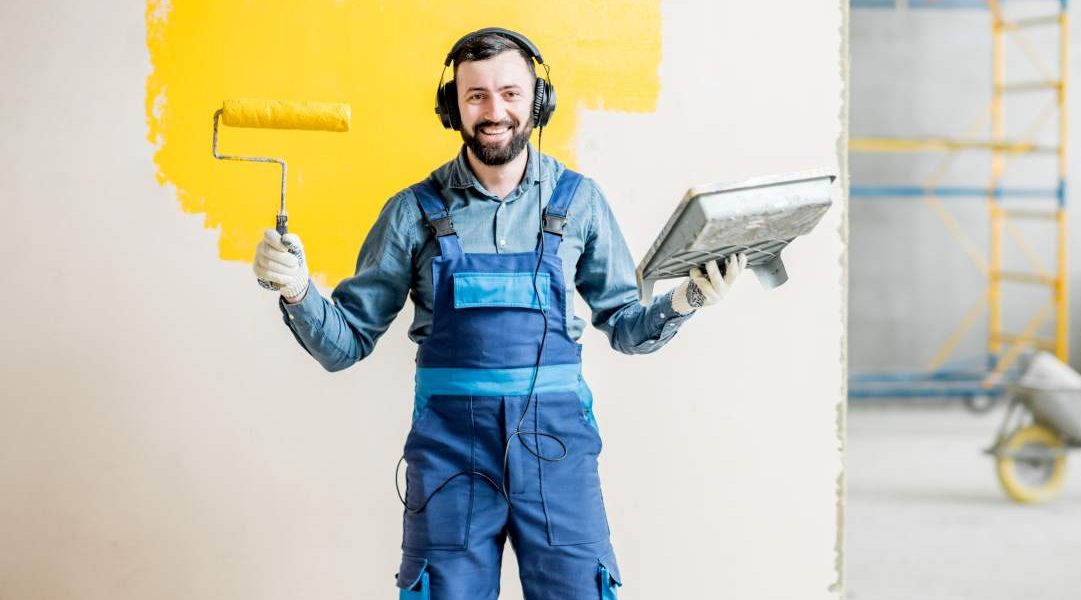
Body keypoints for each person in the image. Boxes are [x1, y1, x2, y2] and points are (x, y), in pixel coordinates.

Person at [252, 28, 747, 600]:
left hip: (557, 453)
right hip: (450, 459)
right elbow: (346, 345)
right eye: (476, 96)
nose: (494, 111)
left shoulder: (579, 201)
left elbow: (628, 328)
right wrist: (297, 292)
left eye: (510, 93)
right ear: (452, 107)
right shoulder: (412, 212)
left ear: (538, 100)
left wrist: (686, 301)